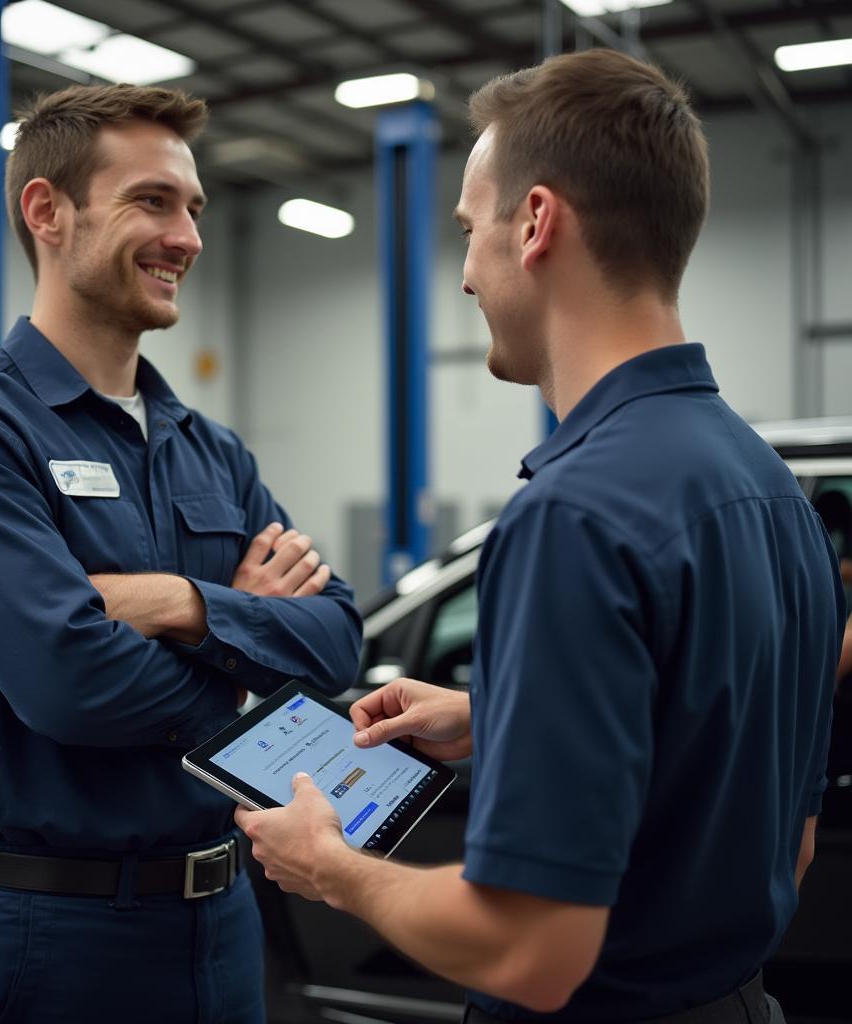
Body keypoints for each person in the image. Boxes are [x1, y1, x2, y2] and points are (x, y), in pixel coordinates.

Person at [236, 49, 844, 1023]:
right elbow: (778, 828)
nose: (467, 274)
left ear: (535, 223)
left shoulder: (571, 514)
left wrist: (333, 867)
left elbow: (532, 945)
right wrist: (502, 716)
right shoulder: (774, 493)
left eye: (470, 231)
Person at [0, 84, 362, 1024]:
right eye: (152, 201)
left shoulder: (211, 449)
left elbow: (339, 635)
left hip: (226, 922)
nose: (186, 236)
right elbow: (71, 685)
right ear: (47, 211)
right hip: (51, 935)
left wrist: (181, 603)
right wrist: (244, 658)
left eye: (193, 209)